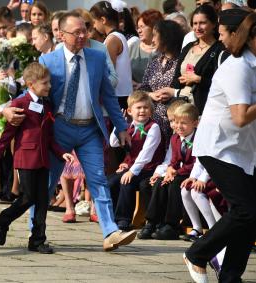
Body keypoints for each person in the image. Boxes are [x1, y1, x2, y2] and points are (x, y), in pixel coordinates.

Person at [37, 12, 136, 251]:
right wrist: (10, 110)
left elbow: (109, 96)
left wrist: (122, 127)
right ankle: (36, 231)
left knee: (99, 179)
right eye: (76, 32)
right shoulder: (47, 62)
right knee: (48, 182)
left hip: (90, 127)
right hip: (60, 127)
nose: (82, 36)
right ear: (60, 34)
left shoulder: (96, 57)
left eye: (85, 30)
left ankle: (110, 232)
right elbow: (34, 95)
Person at [184, 13, 256, 283]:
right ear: (250, 38)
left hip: (243, 149)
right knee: (245, 210)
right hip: (218, 146)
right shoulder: (238, 66)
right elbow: (239, 116)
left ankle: (230, 276)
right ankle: (198, 254)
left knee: (251, 215)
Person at [0, 63, 74, 254]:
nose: (49, 86)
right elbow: (8, 134)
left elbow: (49, 137)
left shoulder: (46, 104)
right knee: (28, 197)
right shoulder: (20, 104)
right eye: (45, 83)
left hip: (43, 159)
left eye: (49, 82)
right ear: (31, 84)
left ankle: (37, 239)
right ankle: (4, 219)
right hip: (26, 158)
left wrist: (60, 152)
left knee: (43, 199)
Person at [108, 91, 165, 231]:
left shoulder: (153, 127)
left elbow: (146, 154)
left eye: (145, 108)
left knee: (127, 182)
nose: (142, 111)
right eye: (138, 108)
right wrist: (118, 125)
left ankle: (124, 219)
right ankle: (111, 217)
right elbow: (113, 143)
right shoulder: (129, 126)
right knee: (110, 181)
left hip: (149, 168)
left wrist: (131, 171)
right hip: (134, 167)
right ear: (129, 111)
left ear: (151, 111)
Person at [142, 103, 199, 240]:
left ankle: (172, 225)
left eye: (183, 123)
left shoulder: (198, 138)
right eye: (176, 122)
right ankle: (153, 222)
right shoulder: (175, 138)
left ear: (195, 123)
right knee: (160, 182)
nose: (178, 126)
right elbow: (174, 159)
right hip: (179, 172)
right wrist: (169, 170)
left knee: (175, 185)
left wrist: (176, 173)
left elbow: (196, 163)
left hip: (192, 174)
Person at [160, 4, 224, 114]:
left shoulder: (220, 49)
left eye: (202, 23)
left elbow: (222, 84)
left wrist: (198, 79)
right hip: (181, 108)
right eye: (195, 23)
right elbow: (176, 78)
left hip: (203, 109)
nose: (198, 28)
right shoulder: (188, 47)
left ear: (213, 24)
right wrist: (169, 92)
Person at [139, 20, 185, 148]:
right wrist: (151, 95)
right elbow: (142, 89)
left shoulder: (182, 62)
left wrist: (172, 94)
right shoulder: (154, 62)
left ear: (166, 37)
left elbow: (187, 91)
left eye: (155, 35)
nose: (152, 40)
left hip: (174, 124)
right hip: (151, 123)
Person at [90, 1, 133, 110]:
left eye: (94, 21)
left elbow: (109, 72)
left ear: (103, 20)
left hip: (118, 96)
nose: (94, 26)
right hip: (122, 94)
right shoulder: (118, 36)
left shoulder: (112, 39)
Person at [129, 9, 163, 88]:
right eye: (137, 27)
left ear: (154, 27)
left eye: (142, 27)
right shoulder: (133, 47)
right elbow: (123, 72)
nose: (139, 31)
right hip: (134, 94)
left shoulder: (164, 50)